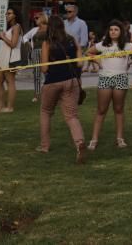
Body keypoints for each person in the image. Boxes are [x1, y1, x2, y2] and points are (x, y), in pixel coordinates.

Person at [38, 14, 87, 162]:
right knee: (71, 116)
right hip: (70, 81)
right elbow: (79, 64)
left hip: (52, 81)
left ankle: (44, 146)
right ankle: (79, 143)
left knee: (46, 112)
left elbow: (45, 69)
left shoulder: (47, 43)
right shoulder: (72, 40)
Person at [86, 20, 132, 149]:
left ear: (121, 32)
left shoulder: (128, 46)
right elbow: (88, 52)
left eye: (116, 29)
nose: (113, 32)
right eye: (111, 29)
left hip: (121, 78)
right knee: (101, 110)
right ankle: (94, 140)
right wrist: (98, 61)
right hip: (105, 78)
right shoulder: (102, 45)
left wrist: (131, 62)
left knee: (119, 109)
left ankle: (120, 139)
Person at [0, 7, 22, 113]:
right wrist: (2, 36)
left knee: (10, 81)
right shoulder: (11, 27)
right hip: (4, 56)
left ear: (15, 15)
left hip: (11, 57)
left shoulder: (17, 27)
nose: (6, 15)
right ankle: (1, 105)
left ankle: (10, 107)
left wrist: (3, 37)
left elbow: (13, 44)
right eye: (6, 14)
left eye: (9, 13)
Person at [23, 13, 49, 103]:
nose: (35, 19)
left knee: (47, 72)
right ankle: (37, 94)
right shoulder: (34, 30)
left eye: (37, 18)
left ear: (42, 18)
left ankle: (49, 92)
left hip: (46, 52)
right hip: (35, 52)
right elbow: (24, 37)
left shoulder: (49, 28)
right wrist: (28, 43)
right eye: (34, 18)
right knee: (37, 73)